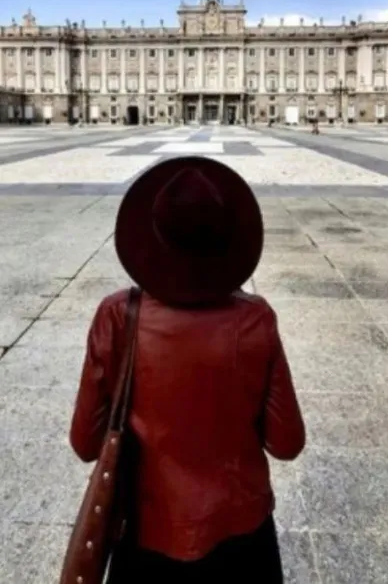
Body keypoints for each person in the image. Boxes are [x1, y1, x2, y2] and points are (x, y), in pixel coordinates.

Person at [69, 157, 305, 579]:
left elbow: (86, 442)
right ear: (229, 238)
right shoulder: (255, 319)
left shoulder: (117, 315)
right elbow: (287, 443)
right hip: (242, 534)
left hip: (145, 536)